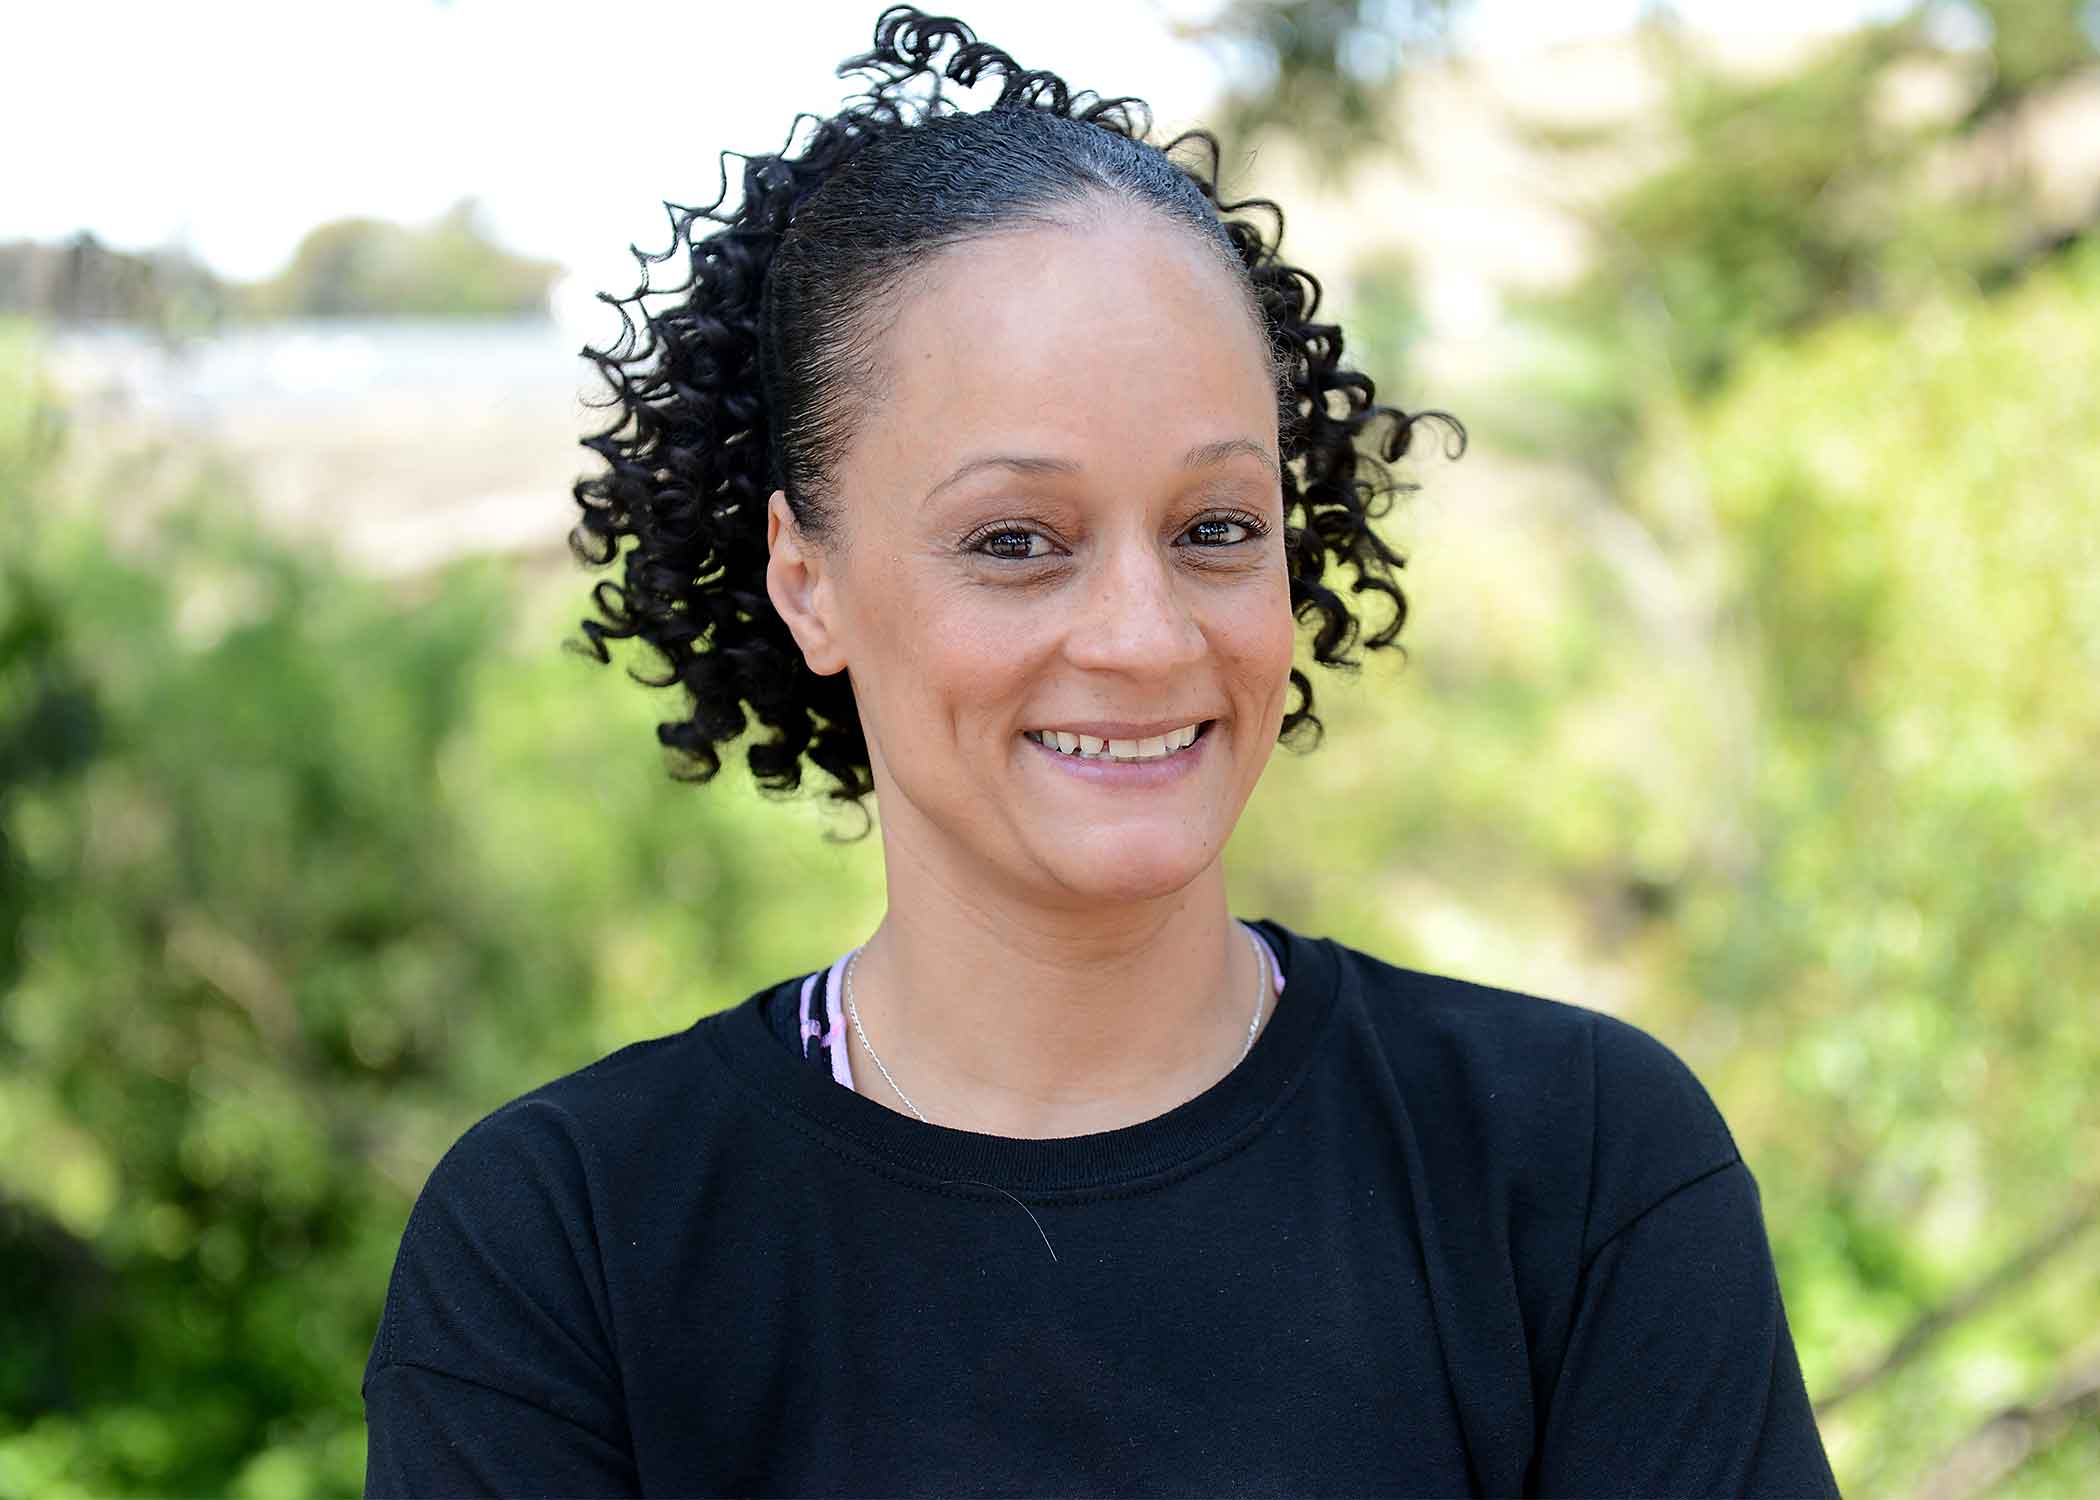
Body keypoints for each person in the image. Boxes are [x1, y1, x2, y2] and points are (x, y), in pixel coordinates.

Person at [361, 6, 1839, 1495]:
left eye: (1214, 529)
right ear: (806, 577)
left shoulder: (1574, 1169)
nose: (1144, 635)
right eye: (1017, 541)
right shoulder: (567, 1250)